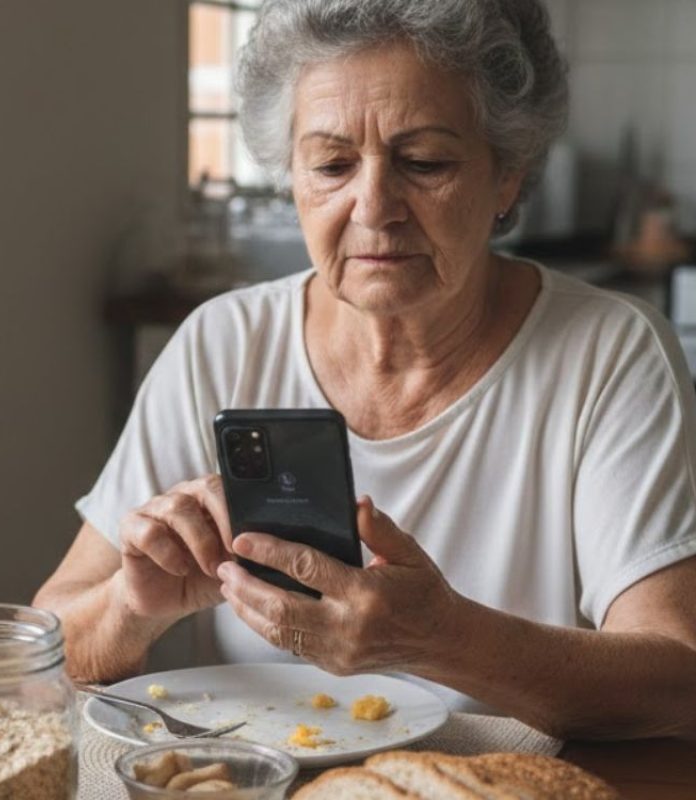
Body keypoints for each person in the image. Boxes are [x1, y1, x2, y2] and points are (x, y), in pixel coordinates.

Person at [34, 0, 696, 740]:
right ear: (291, 176)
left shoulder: (610, 352)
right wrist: (130, 606)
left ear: (507, 175)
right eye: (332, 165)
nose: (374, 208)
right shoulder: (221, 343)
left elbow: (680, 682)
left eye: (425, 162)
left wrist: (441, 639)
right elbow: (44, 651)